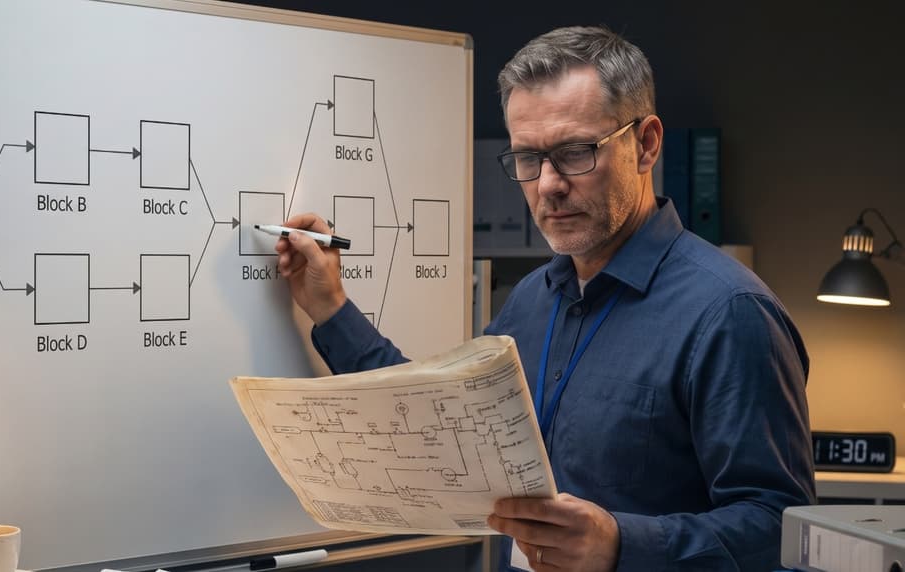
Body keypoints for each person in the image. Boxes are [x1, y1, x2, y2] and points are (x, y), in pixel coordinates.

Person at [273, 25, 814, 572]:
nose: (549, 184)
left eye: (576, 152)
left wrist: (621, 545)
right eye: (528, 159)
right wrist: (330, 308)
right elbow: (434, 423)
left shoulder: (730, 313)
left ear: (646, 144)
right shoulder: (534, 299)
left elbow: (781, 528)